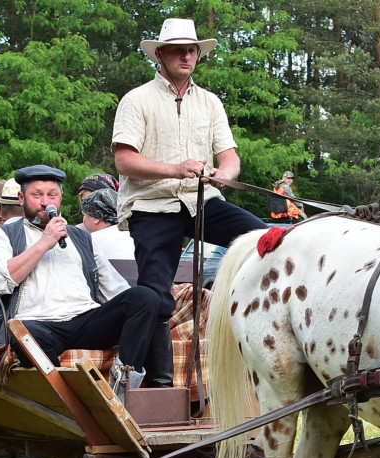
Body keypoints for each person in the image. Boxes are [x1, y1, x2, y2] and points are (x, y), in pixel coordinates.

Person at [112, 17, 267, 388]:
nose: (187, 56)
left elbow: (230, 158)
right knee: (154, 294)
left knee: (265, 239)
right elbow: (124, 161)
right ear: (160, 55)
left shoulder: (210, 102)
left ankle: (256, 328)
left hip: (202, 201)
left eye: (192, 50)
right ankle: (157, 384)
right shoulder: (137, 100)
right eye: (178, 50)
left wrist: (221, 175)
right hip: (152, 206)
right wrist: (176, 169)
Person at [0, 164, 157, 399]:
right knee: (24, 333)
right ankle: (65, 400)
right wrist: (44, 243)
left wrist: (145, 313)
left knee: (144, 297)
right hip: (39, 325)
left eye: (52, 195)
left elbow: (114, 289)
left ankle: (123, 386)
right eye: (37, 195)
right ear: (22, 198)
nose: (46, 203)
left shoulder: (81, 237)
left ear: (61, 198)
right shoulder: (3, 235)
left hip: (85, 321)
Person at [79, 188, 136, 260]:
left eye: (84, 215)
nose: (83, 219)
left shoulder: (90, 242)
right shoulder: (134, 236)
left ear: (97, 218)